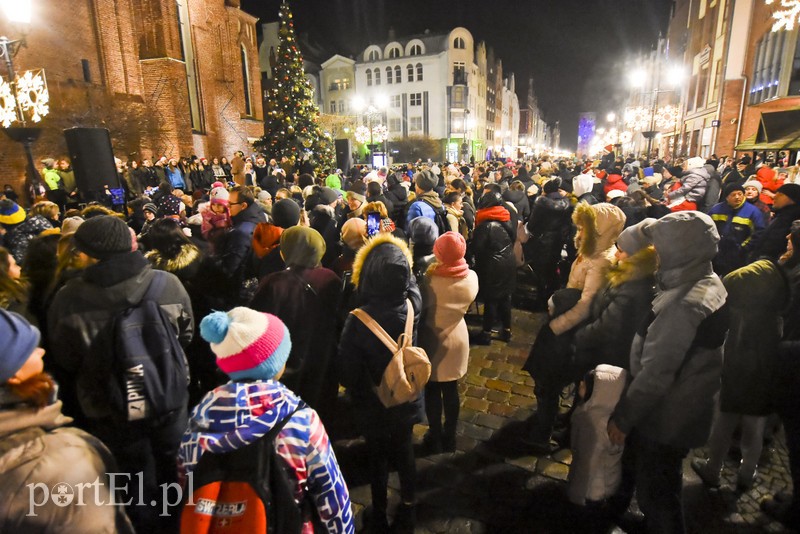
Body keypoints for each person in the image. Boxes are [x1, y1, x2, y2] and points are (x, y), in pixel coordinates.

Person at [47, 215, 194, 532]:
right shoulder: (166, 284)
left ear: (87, 254)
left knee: (131, 481)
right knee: (176, 470)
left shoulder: (68, 298)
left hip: (108, 408)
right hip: (166, 396)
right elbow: (186, 335)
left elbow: (66, 358)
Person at [179, 308, 354, 533]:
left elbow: (184, 482)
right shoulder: (300, 421)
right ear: (274, 364)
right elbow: (332, 497)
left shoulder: (199, 420)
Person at [608, 211, 728, 533]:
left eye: (660, 249)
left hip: (666, 418)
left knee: (658, 494)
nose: (654, 254)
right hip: (683, 409)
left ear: (678, 252)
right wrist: (654, 229)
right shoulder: (704, 278)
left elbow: (656, 374)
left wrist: (623, 417)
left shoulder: (684, 305)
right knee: (660, 481)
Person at [0, 310, 134, 533]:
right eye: (29, 349)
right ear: (13, 374)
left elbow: (67, 355)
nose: (42, 351)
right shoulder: (65, 462)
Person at [338, 233, 422, 532]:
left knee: (377, 457)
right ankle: (409, 505)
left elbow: (347, 372)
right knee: (405, 450)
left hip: (373, 402)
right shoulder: (414, 303)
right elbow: (410, 283)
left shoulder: (358, 318)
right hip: (407, 395)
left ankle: (380, 513)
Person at [691, 256, 789, 492]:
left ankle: (713, 469)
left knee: (724, 424)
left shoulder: (741, 315)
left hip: (736, 379)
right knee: (754, 431)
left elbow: (732, 348)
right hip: (762, 382)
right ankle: (746, 474)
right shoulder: (774, 317)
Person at [250, 226, 341, 413]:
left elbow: (258, 328)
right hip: (322, 361)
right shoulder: (331, 279)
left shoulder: (274, 283)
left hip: (286, 365)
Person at [419, 232, 479, 454]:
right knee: (451, 389)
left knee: (433, 390)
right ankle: (450, 435)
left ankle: (434, 435)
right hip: (458, 335)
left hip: (433, 337)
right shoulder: (471, 277)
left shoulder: (430, 280)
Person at [568, 365, 627, 507]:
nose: (580, 385)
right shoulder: (611, 415)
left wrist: (576, 495)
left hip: (593, 489)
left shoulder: (594, 425)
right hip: (607, 479)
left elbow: (586, 465)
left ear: (598, 394)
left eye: (585, 385)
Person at [525, 177, 573, 310]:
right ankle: (552, 297)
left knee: (540, 271)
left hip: (542, 240)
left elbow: (532, 224)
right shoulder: (566, 203)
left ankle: (540, 300)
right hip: (557, 241)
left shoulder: (541, 203)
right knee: (552, 268)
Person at [708, 182, 766, 276]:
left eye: (740, 194)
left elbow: (758, 233)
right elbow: (708, 227)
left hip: (739, 256)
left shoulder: (753, 212)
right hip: (717, 252)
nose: (737, 197)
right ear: (727, 197)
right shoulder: (716, 209)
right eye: (733, 195)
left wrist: (743, 248)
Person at [746, 183, 800, 262]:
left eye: (781, 194)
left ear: (792, 199)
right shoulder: (780, 216)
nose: (775, 196)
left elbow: (773, 247)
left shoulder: (791, 222)